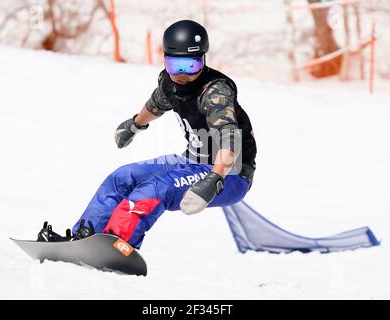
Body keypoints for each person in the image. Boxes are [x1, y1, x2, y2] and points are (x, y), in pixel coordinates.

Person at [37, 20, 257, 248]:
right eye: (175, 65)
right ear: (165, 60)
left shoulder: (215, 92)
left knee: (154, 188)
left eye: (190, 66)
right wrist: (134, 125)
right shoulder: (169, 84)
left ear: (203, 60)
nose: (182, 74)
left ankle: (119, 244)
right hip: (191, 162)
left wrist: (215, 178)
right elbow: (156, 105)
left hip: (231, 174)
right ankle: (84, 237)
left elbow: (230, 138)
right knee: (122, 177)